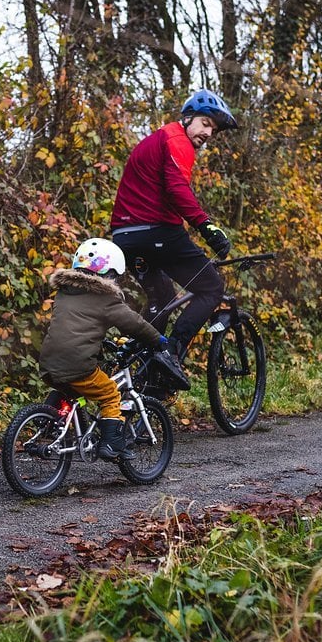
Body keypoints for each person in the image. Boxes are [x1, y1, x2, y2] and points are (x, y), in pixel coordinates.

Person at [110, 89, 237, 361]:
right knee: (211, 287)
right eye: (205, 123)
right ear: (188, 117)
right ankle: (172, 355)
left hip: (125, 237)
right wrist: (207, 227)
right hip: (156, 230)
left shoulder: (159, 138)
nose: (208, 133)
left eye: (213, 129)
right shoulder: (178, 140)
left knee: (162, 299)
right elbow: (177, 189)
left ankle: (146, 373)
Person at [39, 238, 164, 461]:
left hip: (48, 361)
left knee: (69, 387)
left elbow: (77, 327)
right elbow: (133, 323)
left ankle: (47, 420)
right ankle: (111, 444)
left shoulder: (65, 292)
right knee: (109, 394)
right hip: (78, 364)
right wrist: (157, 339)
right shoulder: (105, 298)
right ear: (110, 273)